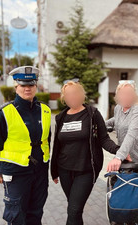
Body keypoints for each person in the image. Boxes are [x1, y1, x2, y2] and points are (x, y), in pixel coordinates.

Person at [0, 66, 51, 225]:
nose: (27, 88)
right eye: (23, 85)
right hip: (15, 172)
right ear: (16, 87)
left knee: (36, 212)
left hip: (39, 171)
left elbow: (47, 140)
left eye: (31, 85)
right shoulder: (5, 112)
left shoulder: (45, 110)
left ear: (36, 86)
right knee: (16, 215)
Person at [51, 79, 119, 225]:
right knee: (74, 209)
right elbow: (57, 145)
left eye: (75, 93)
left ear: (82, 95)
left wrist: (119, 152)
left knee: (74, 210)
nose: (72, 97)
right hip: (64, 170)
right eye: (68, 95)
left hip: (85, 170)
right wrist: (54, 170)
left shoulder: (92, 114)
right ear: (64, 98)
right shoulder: (61, 117)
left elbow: (104, 139)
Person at [106, 80, 138, 184]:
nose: (126, 97)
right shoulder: (118, 108)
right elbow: (117, 120)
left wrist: (118, 157)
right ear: (117, 95)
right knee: (127, 195)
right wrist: (101, 125)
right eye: (123, 94)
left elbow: (132, 134)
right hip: (127, 160)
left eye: (129, 94)